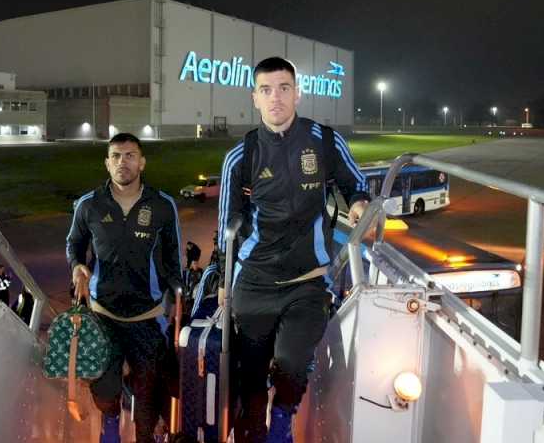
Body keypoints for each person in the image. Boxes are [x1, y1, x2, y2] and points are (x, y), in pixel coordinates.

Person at [217, 57, 369, 442]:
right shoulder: (241, 157)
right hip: (254, 282)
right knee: (249, 381)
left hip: (306, 280)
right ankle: (253, 425)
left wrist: (360, 202)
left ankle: (282, 420)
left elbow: (356, 183)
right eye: (266, 90)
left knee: (291, 363)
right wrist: (224, 280)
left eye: (284, 88)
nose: (276, 98)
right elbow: (227, 230)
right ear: (255, 98)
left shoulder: (325, 141)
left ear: (297, 93)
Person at [67, 133, 183, 443]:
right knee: (105, 389)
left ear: (142, 162)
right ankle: (111, 421)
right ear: (107, 163)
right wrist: (77, 265)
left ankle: (147, 434)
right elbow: (74, 243)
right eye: (116, 156)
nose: (123, 162)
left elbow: (173, 258)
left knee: (148, 400)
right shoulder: (88, 204)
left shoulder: (162, 205)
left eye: (130, 155)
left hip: (149, 316)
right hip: (103, 313)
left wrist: (177, 298)